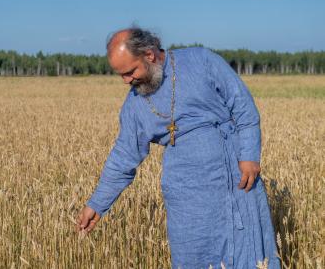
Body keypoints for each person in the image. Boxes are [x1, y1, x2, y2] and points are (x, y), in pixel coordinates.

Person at [75, 27, 280, 268]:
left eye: (130, 72)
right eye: (120, 75)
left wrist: (249, 155)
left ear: (149, 55)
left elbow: (243, 105)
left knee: (248, 253)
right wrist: (97, 204)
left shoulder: (201, 60)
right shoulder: (134, 105)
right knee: (192, 256)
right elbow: (123, 157)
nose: (126, 81)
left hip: (235, 177)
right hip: (185, 195)